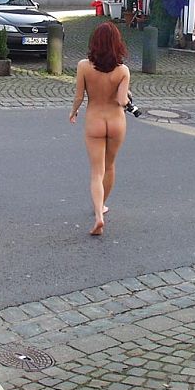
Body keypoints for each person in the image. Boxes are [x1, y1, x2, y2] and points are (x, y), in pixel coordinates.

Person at [70, 21, 131, 236]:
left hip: (94, 120)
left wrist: (73, 112)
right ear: (117, 44)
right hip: (116, 122)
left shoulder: (83, 66)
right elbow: (122, 100)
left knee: (97, 171)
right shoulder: (123, 70)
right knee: (110, 166)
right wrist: (126, 95)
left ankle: (98, 216)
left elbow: (79, 96)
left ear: (94, 42)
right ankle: (103, 204)